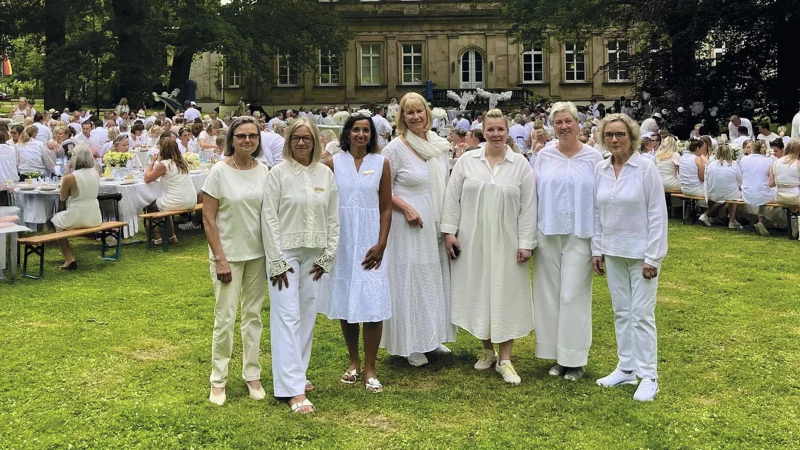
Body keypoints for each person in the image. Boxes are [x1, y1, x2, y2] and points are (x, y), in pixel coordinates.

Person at [441, 109, 536, 384]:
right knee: (479, 290)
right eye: (491, 129)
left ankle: (505, 358)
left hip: (508, 241)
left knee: (507, 293)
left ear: (507, 132)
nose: (496, 134)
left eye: (500, 129)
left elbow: (529, 207)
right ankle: (486, 350)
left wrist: (526, 242)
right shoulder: (467, 161)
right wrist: (449, 233)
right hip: (473, 239)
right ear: (483, 131)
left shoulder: (520, 165)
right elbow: (452, 198)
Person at [261, 118, 339, 414]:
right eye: (296, 138)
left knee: (306, 315)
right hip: (286, 254)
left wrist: (328, 255)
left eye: (307, 138)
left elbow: (333, 216)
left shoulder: (325, 174)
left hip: (315, 255)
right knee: (287, 316)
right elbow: (268, 217)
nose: (302, 143)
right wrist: (276, 259)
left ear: (316, 142)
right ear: (289, 142)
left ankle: (297, 374)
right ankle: (292, 390)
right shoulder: (278, 174)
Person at [591, 113, 668, 402]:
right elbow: (598, 213)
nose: (614, 140)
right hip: (613, 251)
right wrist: (597, 250)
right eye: (609, 135)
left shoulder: (645, 168)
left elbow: (657, 214)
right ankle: (626, 368)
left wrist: (653, 257)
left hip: (641, 254)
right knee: (621, 312)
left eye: (620, 134)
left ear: (631, 137)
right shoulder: (600, 169)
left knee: (642, 315)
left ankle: (649, 376)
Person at [380, 92, 456, 367]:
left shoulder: (436, 146)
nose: (415, 117)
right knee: (409, 279)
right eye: (409, 112)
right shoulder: (395, 148)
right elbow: (382, 188)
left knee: (431, 277)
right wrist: (406, 208)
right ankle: (409, 344)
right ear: (402, 117)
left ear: (427, 113)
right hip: (407, 223)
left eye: (419, 111)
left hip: (433, 220)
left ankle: (431, 337)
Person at [202, 116, 271, 406]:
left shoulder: (264, 170)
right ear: (232, 140)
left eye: (252, 136)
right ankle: (218, 380)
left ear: (258, 140)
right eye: (241, 136)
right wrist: (220, 258)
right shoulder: (219, 171)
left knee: (253, 316)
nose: (247, 141)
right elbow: (208, 217)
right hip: (227, 255)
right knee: (225, 317)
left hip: (258, 254)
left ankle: (251, 374)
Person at [533, 101, 603, 381]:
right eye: (558, 122)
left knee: (573, 295)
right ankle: (555, 354)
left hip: (580, 233)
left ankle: (574, 359)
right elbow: (534, 196)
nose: (563, 127)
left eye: (568, 121)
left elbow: (599, 202)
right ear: (552, 126)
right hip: (548, 232)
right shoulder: (544, 155)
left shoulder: (594, 158)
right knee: (549, 295)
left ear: (577, 123)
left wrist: (599, 244)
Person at [322, 114, 392, 393]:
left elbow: (386, 207)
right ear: (347, 133)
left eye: (366, 130)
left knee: (373, 305)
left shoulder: (381, 163)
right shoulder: (332, 163)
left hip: (370, 241)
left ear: (371, 135)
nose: (361, 134)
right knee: (347, 302)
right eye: (356, 130)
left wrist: (382, 243)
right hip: (342, 241)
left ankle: (372, 368)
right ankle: (354, 361)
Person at [50, 145, 102, 270]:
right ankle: (69, 257)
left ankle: (68, 258)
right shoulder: (96, 173)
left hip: (78, 215)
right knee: (62, 220)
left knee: (57, 221)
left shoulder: (70, 177)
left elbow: (62, 197)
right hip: (95, 215)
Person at [143, 139, 197, 244]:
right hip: (191, 200)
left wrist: (152, 162)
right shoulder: (182, 162)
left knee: (150, 205)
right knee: (165, 203)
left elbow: (147, 179)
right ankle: (172, 236)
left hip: (178, 201)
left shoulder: (164, 164)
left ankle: (157, 237)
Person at [741, 140, 777, 236]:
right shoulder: (769, 160)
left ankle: (760, 221)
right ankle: (764, 221)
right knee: (776, 194)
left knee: (763, 191)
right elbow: (771, 182)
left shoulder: (744, 159)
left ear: (752, 148)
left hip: (747, 194)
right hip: (762, 194)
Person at [705, 140, 744, 229]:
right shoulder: (734, 164)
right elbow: (740, 181)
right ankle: (732, 220)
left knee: (730, 193)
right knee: (734, 194)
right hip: (729, 194)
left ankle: (718, 217)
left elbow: (708, 179)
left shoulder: (711, 164)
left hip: (714, 192)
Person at [769, 140, 800, 237]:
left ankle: (793, 223)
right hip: (795, 197)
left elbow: (771, 184)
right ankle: (795, 223)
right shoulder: (798, 163)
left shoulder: (775, 163)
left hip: (779, 197)